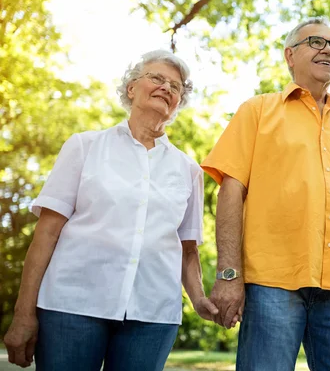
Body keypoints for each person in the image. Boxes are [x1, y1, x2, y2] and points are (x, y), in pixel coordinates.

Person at [3, 50, 218, 371]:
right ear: (132, 88)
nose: (167, 88)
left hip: (152, 315)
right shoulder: (84, 147)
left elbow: (187, 249)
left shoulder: (188, 170)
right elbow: (46, 233)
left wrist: (199, 299)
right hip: (71, 307)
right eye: (157, 78)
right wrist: (24, 313)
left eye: (177, 87)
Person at [201, 18, 330, 370]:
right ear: (290, 55)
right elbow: (230, 192)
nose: (329, 50)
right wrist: (228, 274)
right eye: (317, 42)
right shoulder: (257, 111)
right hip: (272, 284)